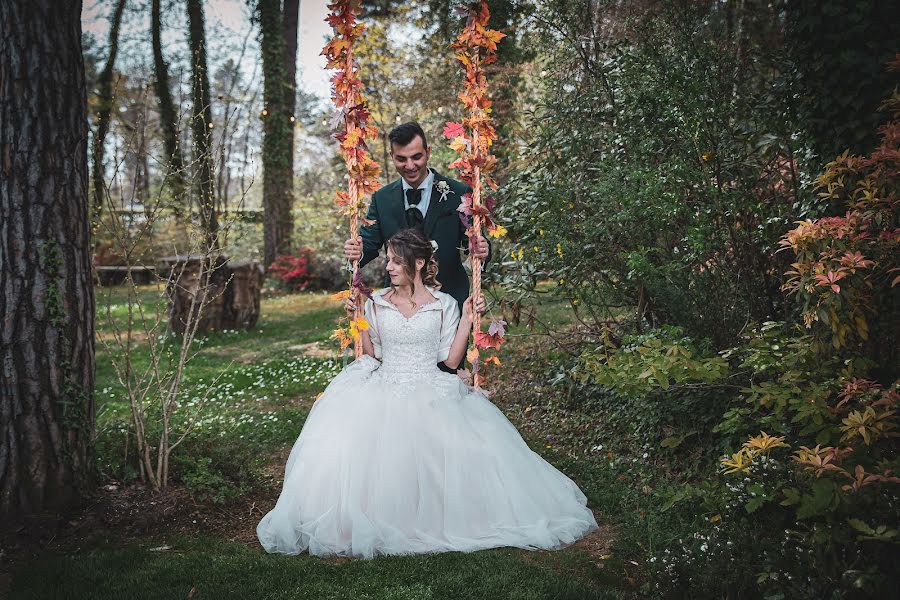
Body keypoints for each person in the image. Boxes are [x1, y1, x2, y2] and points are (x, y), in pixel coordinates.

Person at [256, 229, 598, 558]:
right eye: (387, 260)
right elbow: (371, 355)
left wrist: (466, 318)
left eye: (394, 260)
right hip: (385, 384)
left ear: (418, 263)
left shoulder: (444, 304)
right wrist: (358, 318)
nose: (387, 267)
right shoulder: (375, 303)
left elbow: (449, 360)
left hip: (430, 384)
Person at [344, 121, 490, 313]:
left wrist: (483, 250)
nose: (410, 165)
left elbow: (473, 242)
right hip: (398, 304)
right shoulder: (382, 198)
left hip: (450, 300)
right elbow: (368, 246)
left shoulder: (459, 192)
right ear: (392, 157)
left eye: (417, 157)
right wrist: (355, 252)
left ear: (428, 152)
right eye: (401, 159)